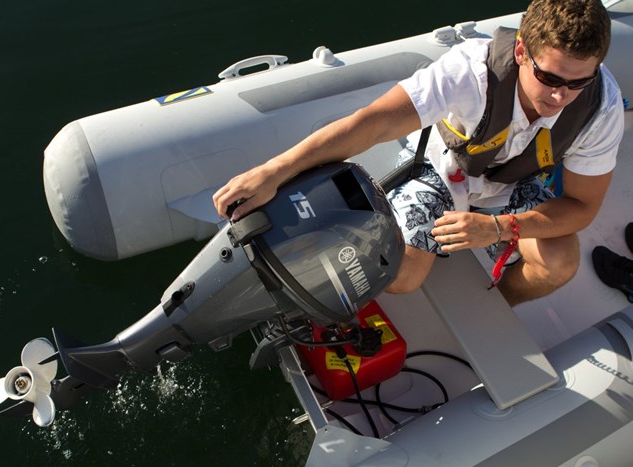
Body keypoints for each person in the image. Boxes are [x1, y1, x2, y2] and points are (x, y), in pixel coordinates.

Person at [213, 0, 624, 306]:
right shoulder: (470, 71)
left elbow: (582, 206)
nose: (560, 95)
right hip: (446, 168)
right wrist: (275, 170)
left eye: (578, 83)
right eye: (549, 77)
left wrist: (498, 229)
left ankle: (496, 306)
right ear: (521, 52)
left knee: (560, 263)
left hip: (516, 182)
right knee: (402, 278)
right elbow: (373, 123)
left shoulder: (600, 106)